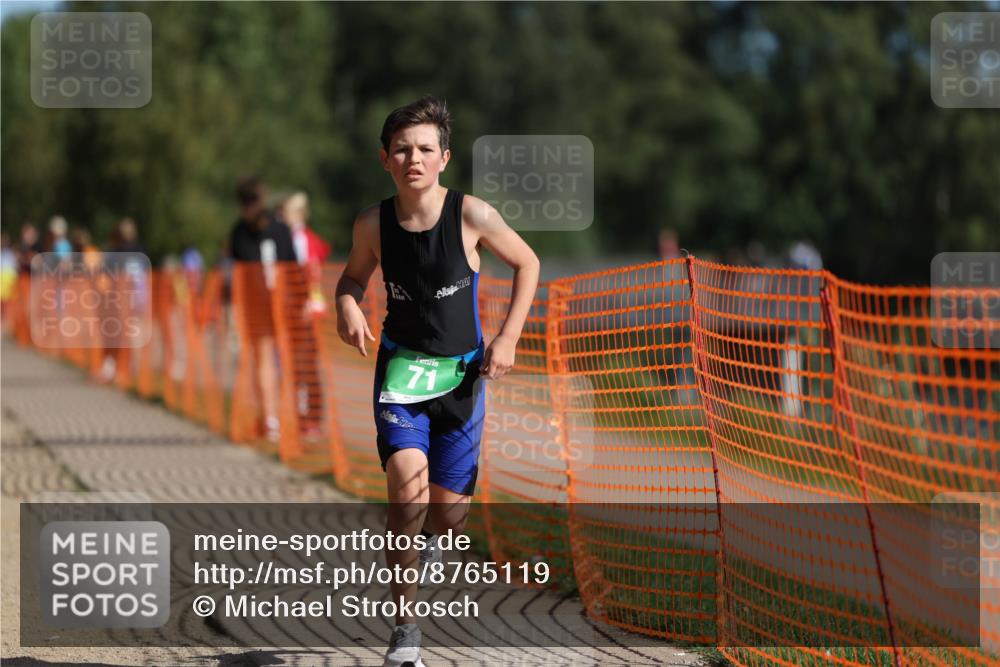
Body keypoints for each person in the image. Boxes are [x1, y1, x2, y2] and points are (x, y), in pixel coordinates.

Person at [335, 95, 540, 667]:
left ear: (444, 158)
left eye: (425, 149)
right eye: (402, 150)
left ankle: (426, 543)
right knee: (406, 490)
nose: (414, 159)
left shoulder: (472, 215)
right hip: (401, 377)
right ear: (385, 159)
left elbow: (528, 263)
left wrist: (508, 337)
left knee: (448, 517)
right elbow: (351, 279)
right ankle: (405, 633)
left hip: (461, 381)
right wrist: (347, 304)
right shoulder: (372, 224)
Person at [227, 175, 296, 442]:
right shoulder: (250, 231)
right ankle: (271, 416)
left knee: (274, 360)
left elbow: (292, 269)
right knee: (267, 360)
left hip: (274, 305)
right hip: (263, 307)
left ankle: (276, 416)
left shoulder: (257, 230)